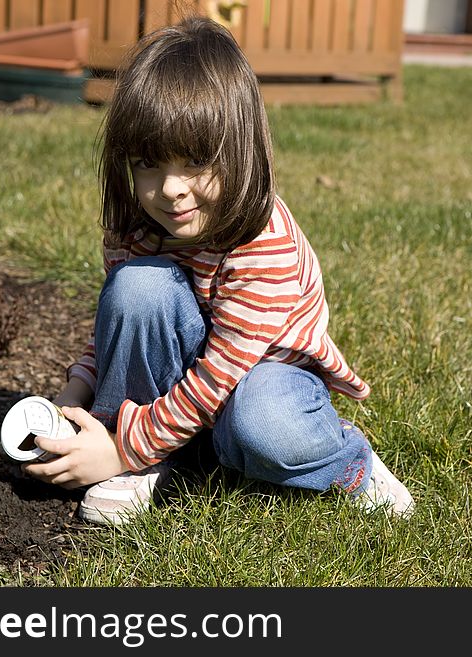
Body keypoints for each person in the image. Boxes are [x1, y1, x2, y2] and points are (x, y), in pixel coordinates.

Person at [21, 16, 414, 524]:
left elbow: (222, 373)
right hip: (190, 381)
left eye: (195, 161)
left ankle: (347, 462)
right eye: (148, 163)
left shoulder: (262, 240)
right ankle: (162, 459)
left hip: (263, 375)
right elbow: (119, 330)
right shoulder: (134, 228)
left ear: (241, 149)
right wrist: (72, 396)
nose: (170, 189)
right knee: (136, 289)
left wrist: (119, 449)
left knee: (263, 425)